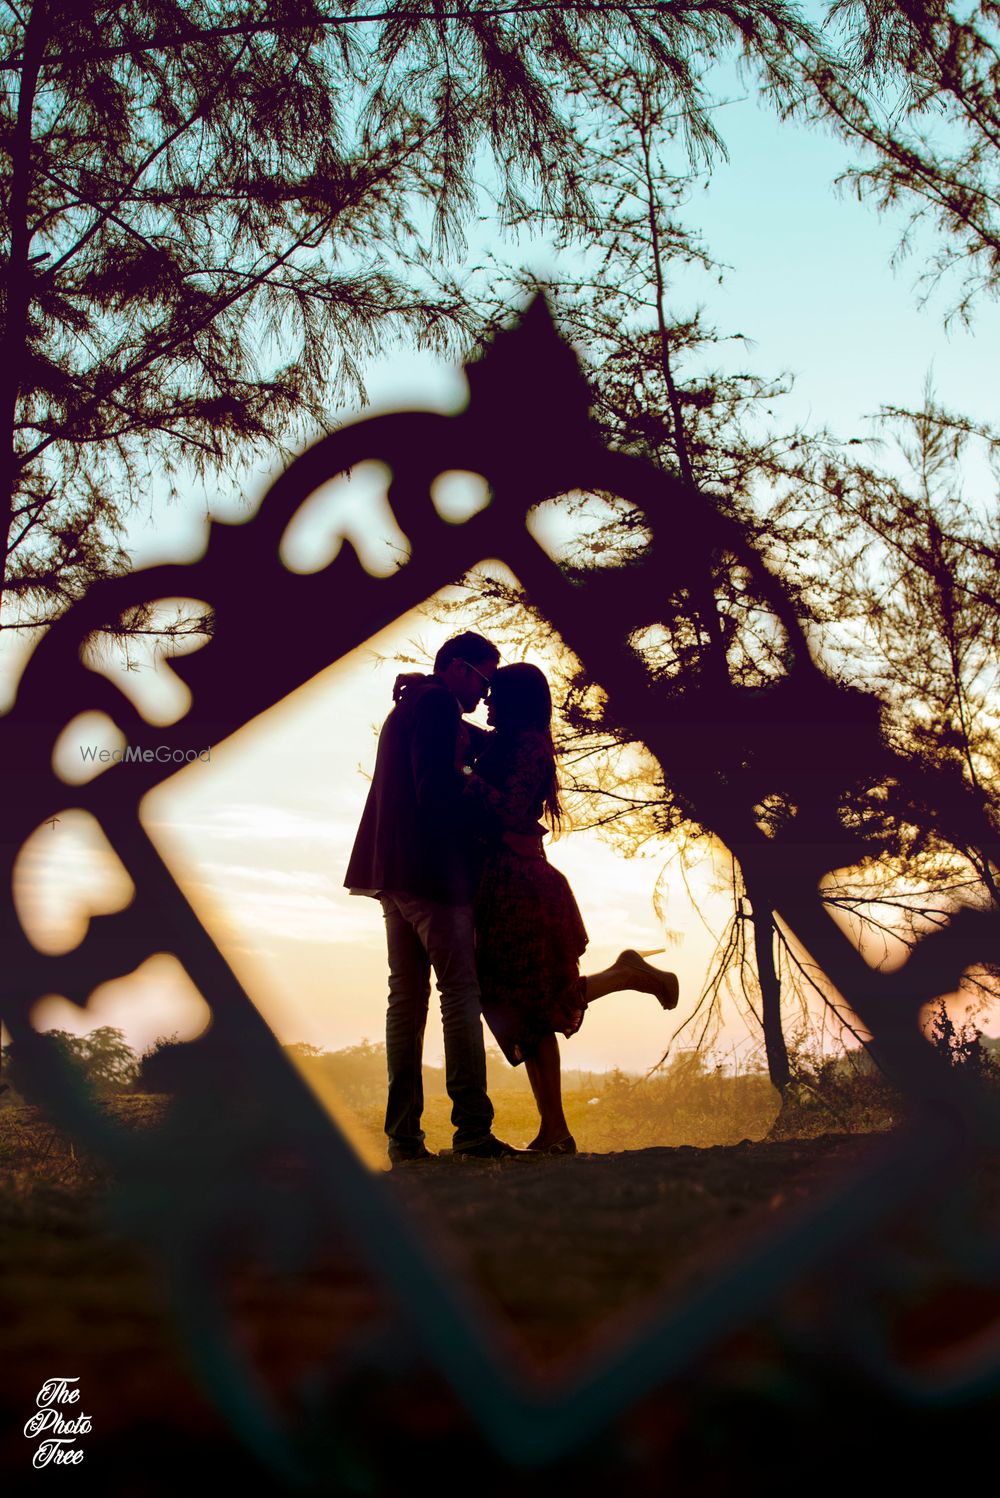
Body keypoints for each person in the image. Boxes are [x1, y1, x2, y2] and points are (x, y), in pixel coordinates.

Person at [465, 663, 680, 1154]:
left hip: (519, 886)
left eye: (496, 695)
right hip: (501, 884)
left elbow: (510, 809)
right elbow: (461, 735)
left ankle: (556, 1130)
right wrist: (429, 694)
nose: (488, 702)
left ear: (516, 702)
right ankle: (554, 1130)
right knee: (523, 1009)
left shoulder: (528, 745)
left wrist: (462, 777)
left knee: (534, 1007)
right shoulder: (505, 742)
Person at [344, 631, 523, 1164]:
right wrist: (485, 805)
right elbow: (437, 790)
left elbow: (454, 744)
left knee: (406, 1001)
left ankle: (403, 1138)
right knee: (459, 994)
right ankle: (471, 1130)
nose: (485, 694)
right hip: (431, 873)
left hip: (389, 870)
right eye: (485, 679)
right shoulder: (439, 701)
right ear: (461, 669)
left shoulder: (418, 703)